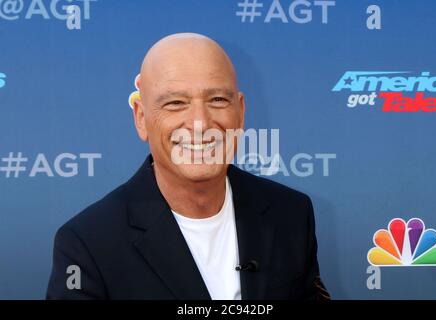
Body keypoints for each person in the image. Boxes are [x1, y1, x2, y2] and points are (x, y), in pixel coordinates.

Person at [46, 33, 329, 300]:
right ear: (141, 118)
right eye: (175, 103)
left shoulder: (291, 214)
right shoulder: (87, 244)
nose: (200, 123)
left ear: (240, 112)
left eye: (217, 100)